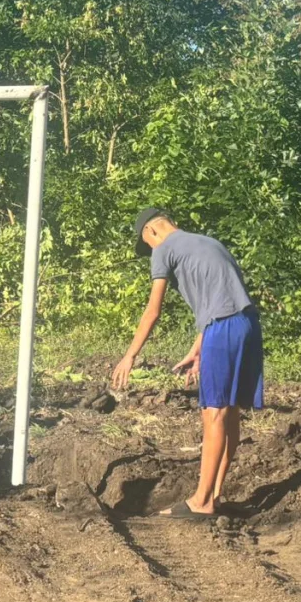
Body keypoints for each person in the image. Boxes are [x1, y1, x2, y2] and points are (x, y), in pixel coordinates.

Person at [111, 207, 264, 518]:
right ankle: (216, 495)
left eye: (147, 243)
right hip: (247, 326)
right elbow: (222, 300)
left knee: (214, 414)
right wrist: (199, 347)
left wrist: (130, 355)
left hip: (223, 329)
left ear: (152, 232)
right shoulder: (210, 243)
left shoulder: (164, 249)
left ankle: (201, 502)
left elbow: (153, 311)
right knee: (230, 411)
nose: (151, 250)